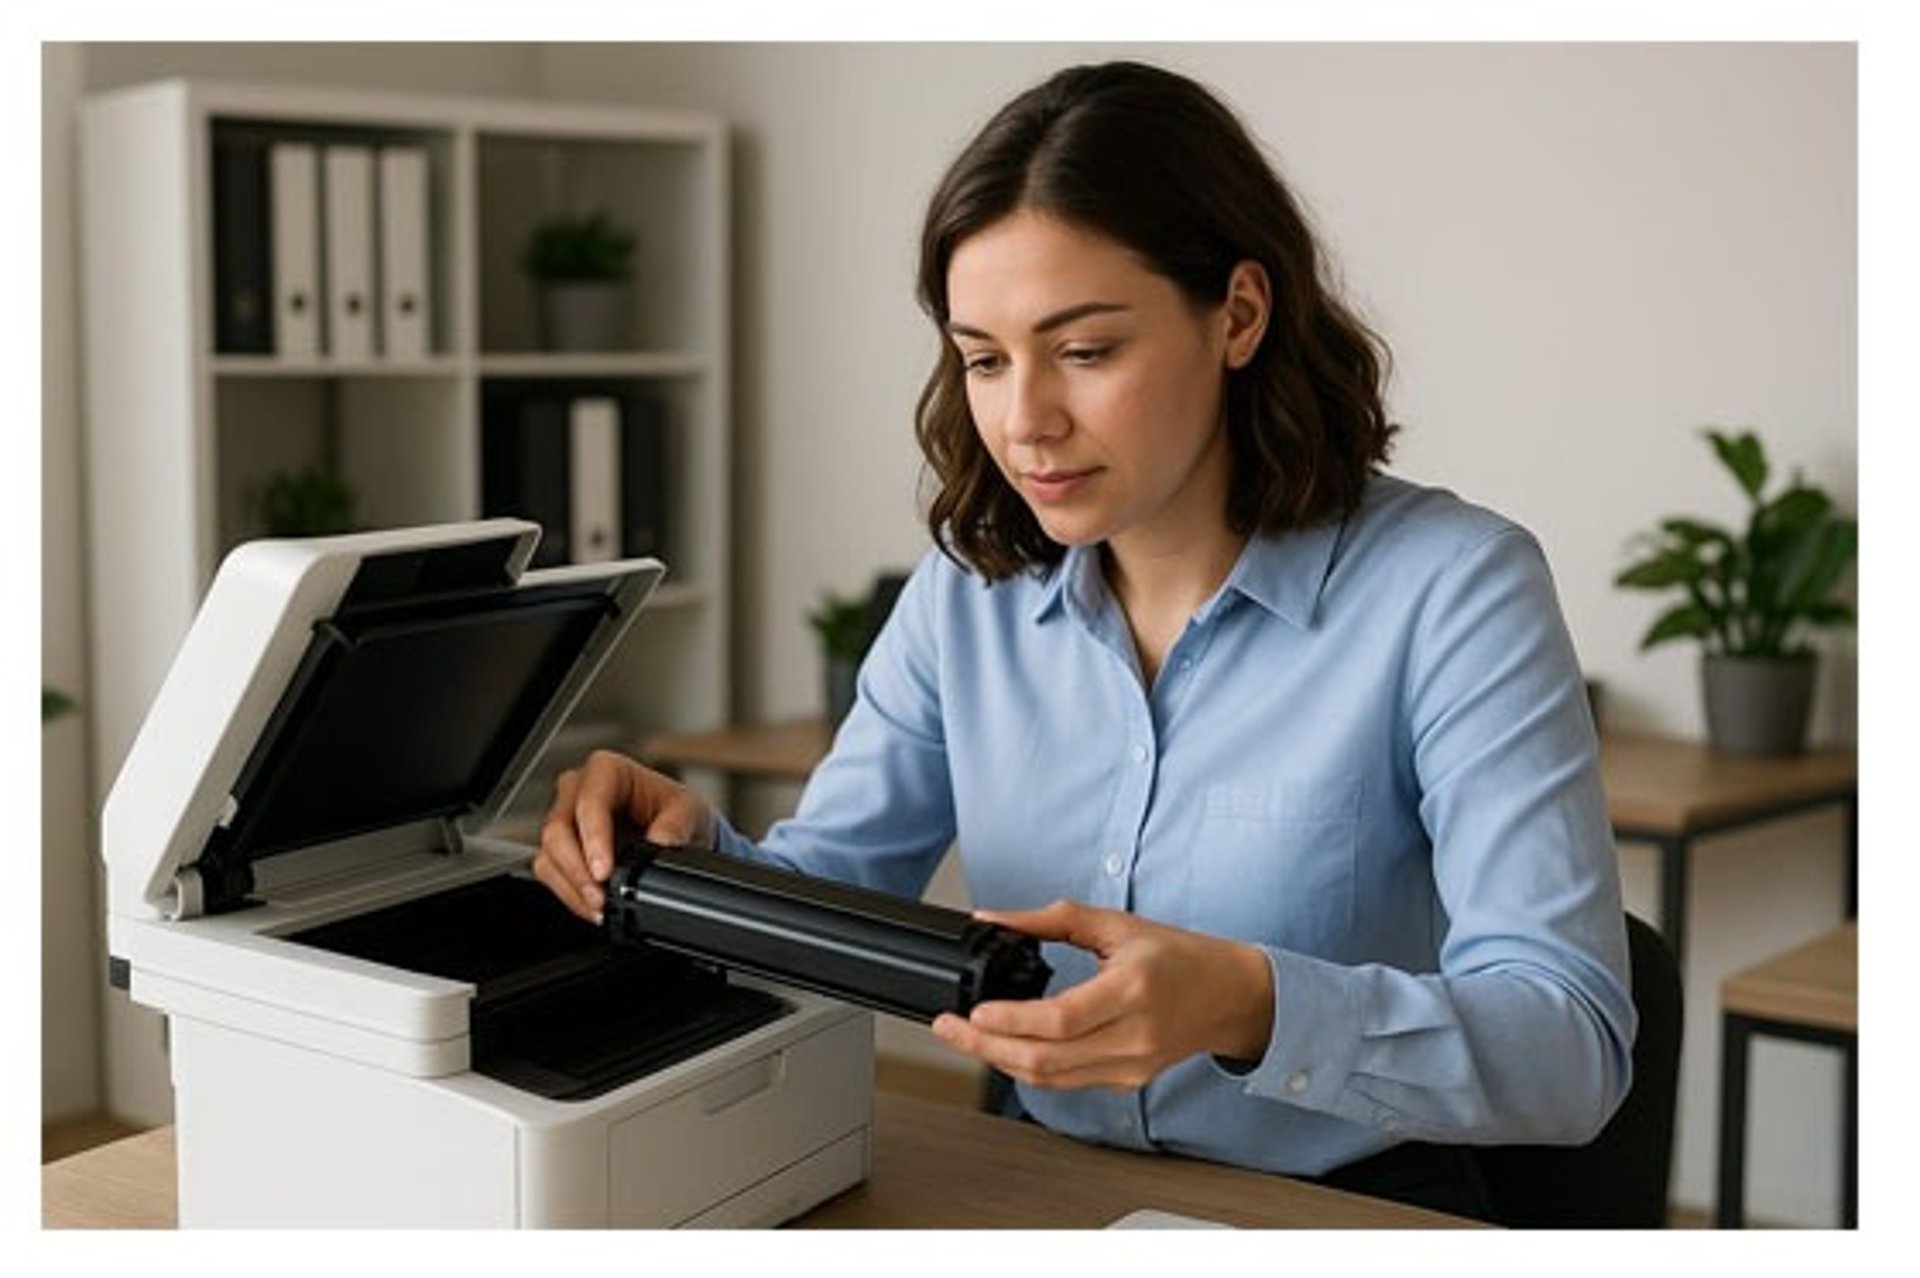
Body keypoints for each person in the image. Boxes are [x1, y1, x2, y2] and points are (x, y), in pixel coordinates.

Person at [535, 59, 1634, 1219]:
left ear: (1239, 315)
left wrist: (1249, 1004)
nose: (1024, 422)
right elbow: (832, 897)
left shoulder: (1455, 590)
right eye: (984, 359)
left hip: (1346, 1204)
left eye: (1086, 350)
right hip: (1043, 1182)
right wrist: (688, 859)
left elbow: (1572, 1046)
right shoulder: (968, 597)